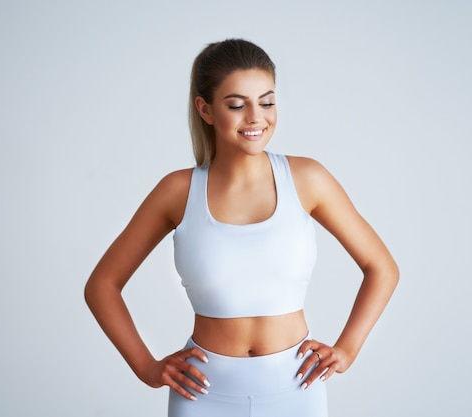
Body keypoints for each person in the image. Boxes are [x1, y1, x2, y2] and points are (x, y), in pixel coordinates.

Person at [85, 38, 399, 417]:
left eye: (266, 101)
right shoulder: (177, 191)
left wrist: (347, 348)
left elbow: (382, 267)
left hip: (295, 388)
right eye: (237, 104)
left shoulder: (307, 179)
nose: (256, 117)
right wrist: (147, 367)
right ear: (206, 110)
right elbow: (102, 285)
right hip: (203, 394)